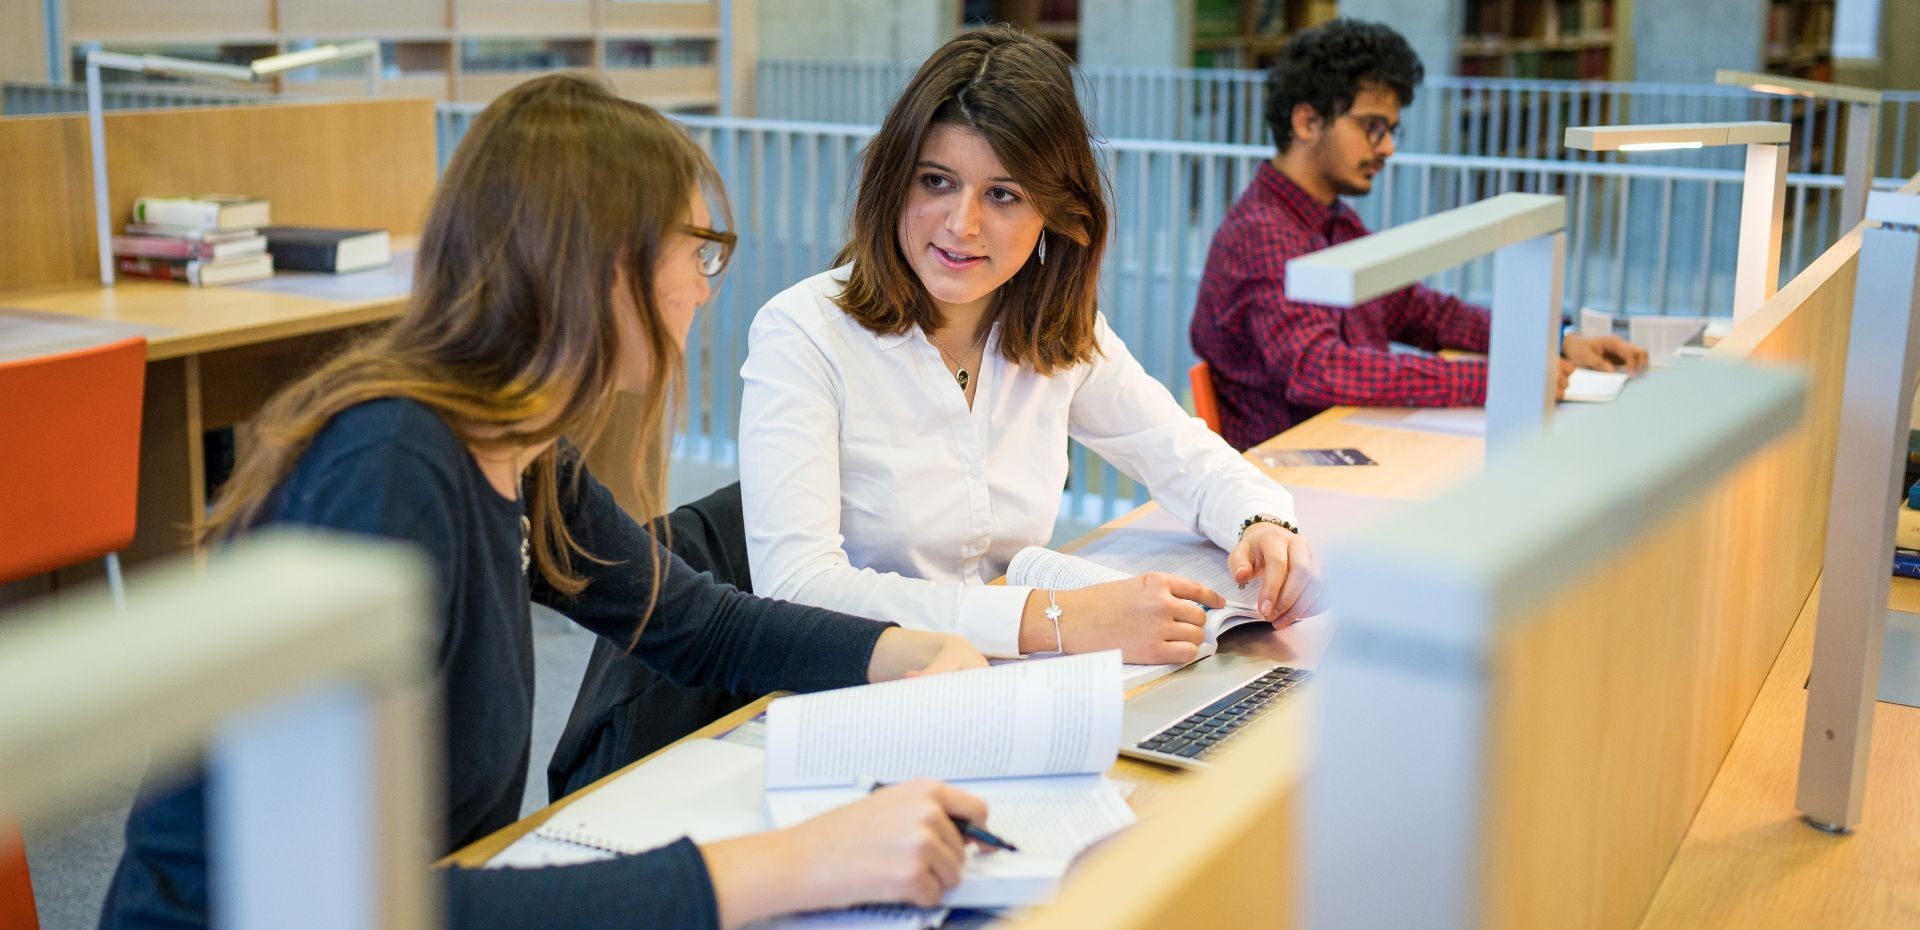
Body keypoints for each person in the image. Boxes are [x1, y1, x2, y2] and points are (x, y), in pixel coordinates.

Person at [100, 74, 998, 930]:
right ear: (602, 266)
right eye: (695, 249)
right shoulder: (391, 471)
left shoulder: (523, 452)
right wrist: (794, 862)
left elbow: (696, 623)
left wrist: (909, 650)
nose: (702, 285)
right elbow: (333, 905)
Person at [739, 27, 1322, 659]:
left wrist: (1262, 520)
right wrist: (1057, 620)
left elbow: (1178, 453)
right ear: (894, 182)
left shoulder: (1054, 328)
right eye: (936, 181)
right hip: (869, 685)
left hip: (1013, 677)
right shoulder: (802, 335)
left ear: (1053, 211)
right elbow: (796, 590)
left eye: (1003, 194)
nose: (963, 225)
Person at [1189, 19, 1648, 451]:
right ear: (1307, 122)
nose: (1387, 147)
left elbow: (1422, 312)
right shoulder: (1261, 234)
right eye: (1372, 127)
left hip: (1356, 444)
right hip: (1289, 483)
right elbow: (1320, 369)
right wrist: (1500, 379)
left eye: (1391, 130)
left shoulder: (1333, 220)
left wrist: (1555, 338)